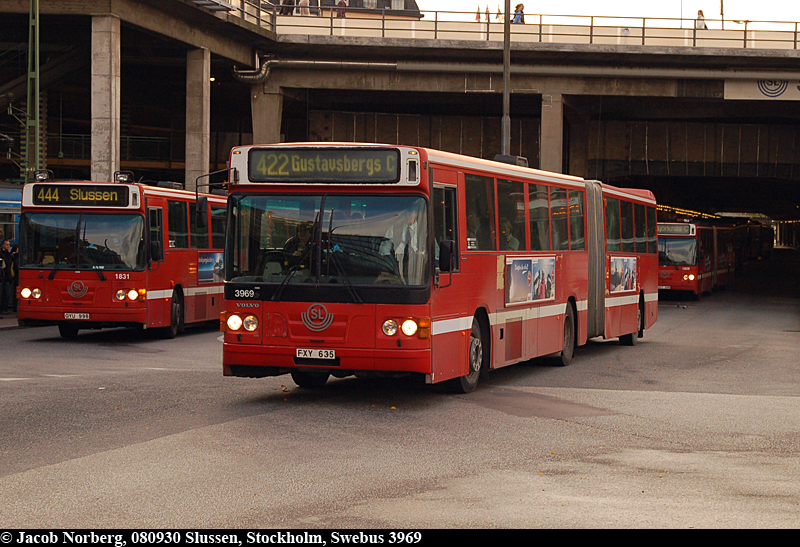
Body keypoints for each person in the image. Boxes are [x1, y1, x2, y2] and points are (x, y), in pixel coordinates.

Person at [0, 240, 12, 315]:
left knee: (6, 293)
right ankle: (3, 309)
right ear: (3, 245)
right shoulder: (2, 254)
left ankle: (4, 308)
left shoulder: (8, 254)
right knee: (5, 293)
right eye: (7, 244)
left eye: (9, 244)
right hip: (3, 277)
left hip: (7, 276)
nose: (8, 246)